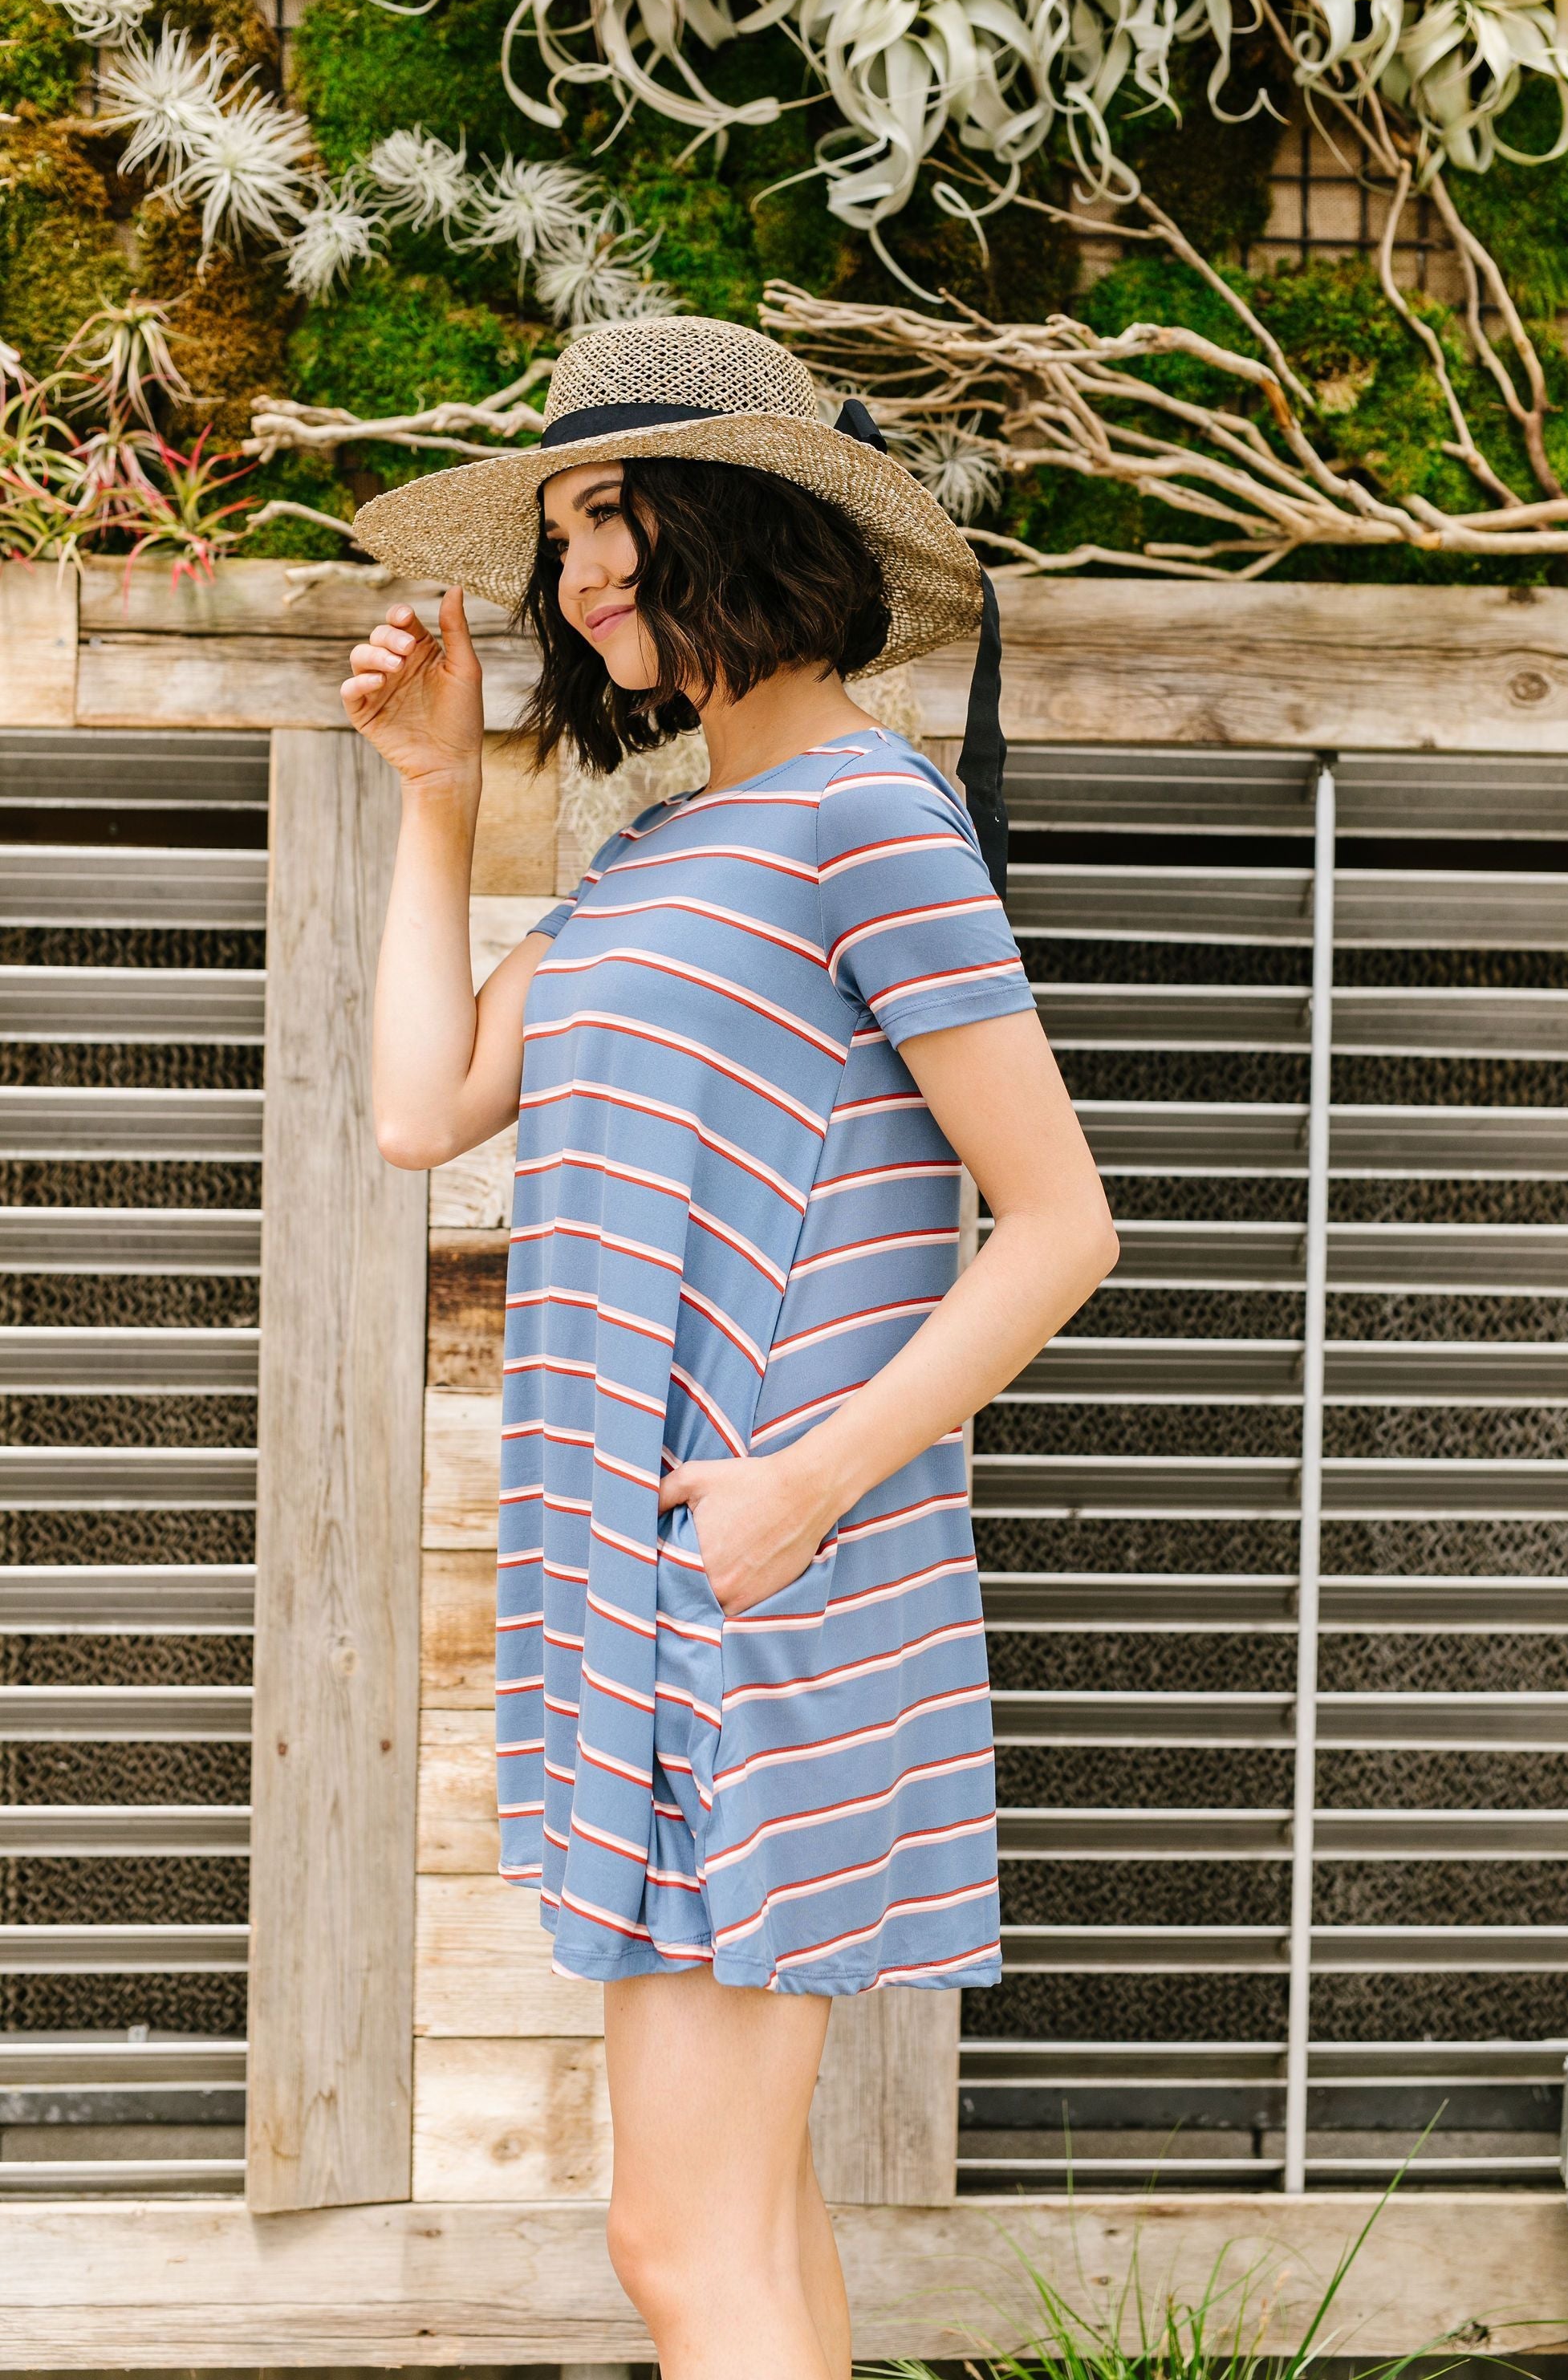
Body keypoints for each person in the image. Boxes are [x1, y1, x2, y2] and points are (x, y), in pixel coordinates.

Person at [340, 316, 1117, 2380]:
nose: (586, 565)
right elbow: (421, 1109)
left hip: (760, 1580)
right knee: (749, 2226)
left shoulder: (871, 816)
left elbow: (1059, 1227)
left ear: (750, 522)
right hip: (650, 1585)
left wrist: (805, 1481)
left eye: (624, 512)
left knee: (678, 2240)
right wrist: (435, 797)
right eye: (567, 526)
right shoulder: (653, 858)